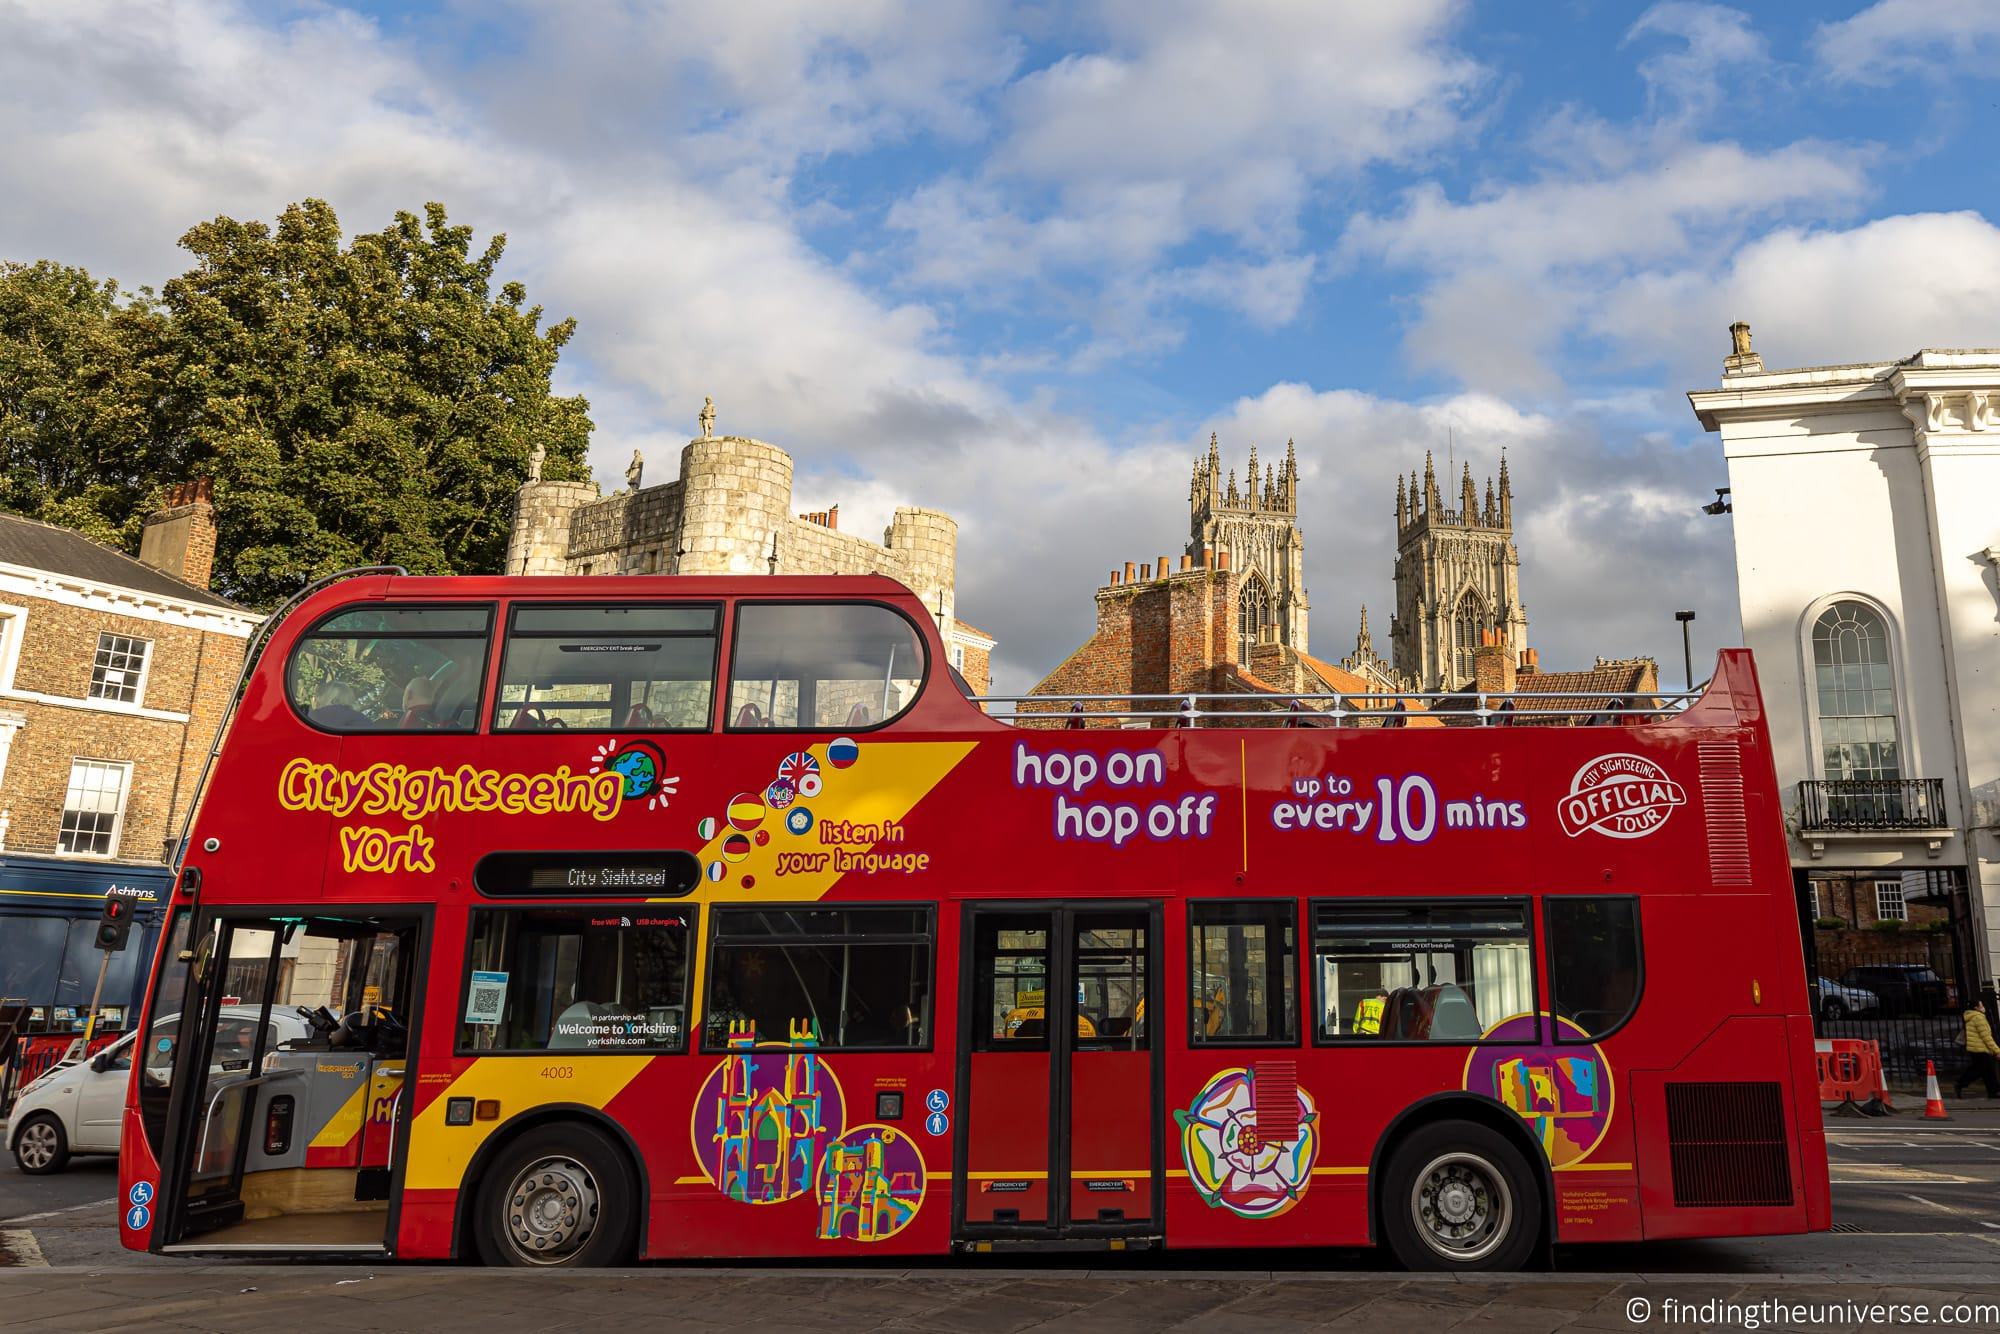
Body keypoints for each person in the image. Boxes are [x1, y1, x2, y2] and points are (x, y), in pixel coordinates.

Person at [1956, 1003, 2000, 1099]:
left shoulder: (1970, 1016)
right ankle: (1960, 1083)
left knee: (1986, 1070)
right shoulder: (1978, 1018)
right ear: (1976, 1007)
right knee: (1981, 1070)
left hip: (1974, 1048)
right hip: (1980, 1049)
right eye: (1981, 1005)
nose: (1983, 1007)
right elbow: (1986, 1037)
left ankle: (1993, 1091)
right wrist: (1997, 1051)